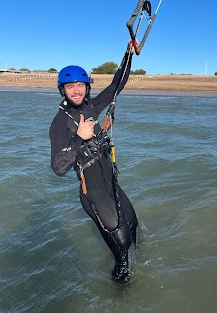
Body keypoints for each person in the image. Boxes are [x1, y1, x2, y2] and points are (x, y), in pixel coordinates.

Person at [49, 40, 142, 282]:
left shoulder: (91, 107)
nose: (76, 90)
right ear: (62, 90)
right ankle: (120, 296)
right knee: (123, 253)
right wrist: (79, 138)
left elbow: (116, 86)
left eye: (80, 85)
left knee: (134, 232)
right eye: (70, 86)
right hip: (94, 194)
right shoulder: (59, 123)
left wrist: (128, 53)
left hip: (112, 185)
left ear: (87, 87)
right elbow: (58, 167)